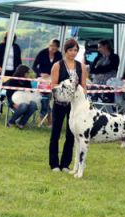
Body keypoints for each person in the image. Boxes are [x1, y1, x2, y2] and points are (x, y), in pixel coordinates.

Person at [49, 38, 87, 172]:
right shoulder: (58, 65)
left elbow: (83, 86)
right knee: (56, 132)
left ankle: (65, 163)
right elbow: (53, 84)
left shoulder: (81, 66)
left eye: (76, 50)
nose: (73, 53)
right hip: (60, 102)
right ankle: (54, 164)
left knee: (71, 134)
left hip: (75, 105)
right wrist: (64, 91)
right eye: (71, 50)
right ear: (66, 51)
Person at [32, 38, 62, 123]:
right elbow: (34, 66)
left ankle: (49, 118)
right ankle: (45, 117)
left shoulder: (59, 55)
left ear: (57, 48)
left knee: (50, 99)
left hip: (53, 80)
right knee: (44, 98)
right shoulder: (42, 53)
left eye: (55, 47)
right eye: (51, 46)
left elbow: (60, 67)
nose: (52, 48)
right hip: (42, 79)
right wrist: (40, 74)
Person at [5, 64, 38, 129]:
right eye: (27, 73)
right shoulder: (12, 81)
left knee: (33, 105)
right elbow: (8, 94)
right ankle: (10, 122)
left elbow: (30, 92)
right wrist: (12, 103)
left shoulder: (27, 81)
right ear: (22, 73)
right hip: (14, 100)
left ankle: (21, 123)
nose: (28, 74)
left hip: (25, 99)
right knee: (24, 106)